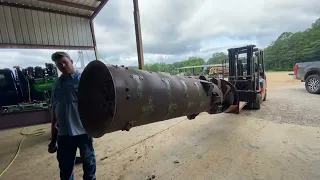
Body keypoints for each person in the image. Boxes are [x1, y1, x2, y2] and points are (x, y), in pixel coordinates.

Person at [47, 52, 96, 180]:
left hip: (83, 130)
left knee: (88, 161)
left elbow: (96, 103)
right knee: (65, 165)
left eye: (65, 62)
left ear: (71, 61)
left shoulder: (83, 80)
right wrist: (53, 138)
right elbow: (55, 111)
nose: (62, 65)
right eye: (59, 64)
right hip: (63, 134)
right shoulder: (56, 84)